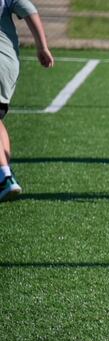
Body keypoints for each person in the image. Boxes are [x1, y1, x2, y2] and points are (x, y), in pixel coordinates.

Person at [0, 0, 54, 202]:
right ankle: (5, 172)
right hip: (8, 64)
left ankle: (4, 177)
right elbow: (30, 10)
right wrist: (42, 46)